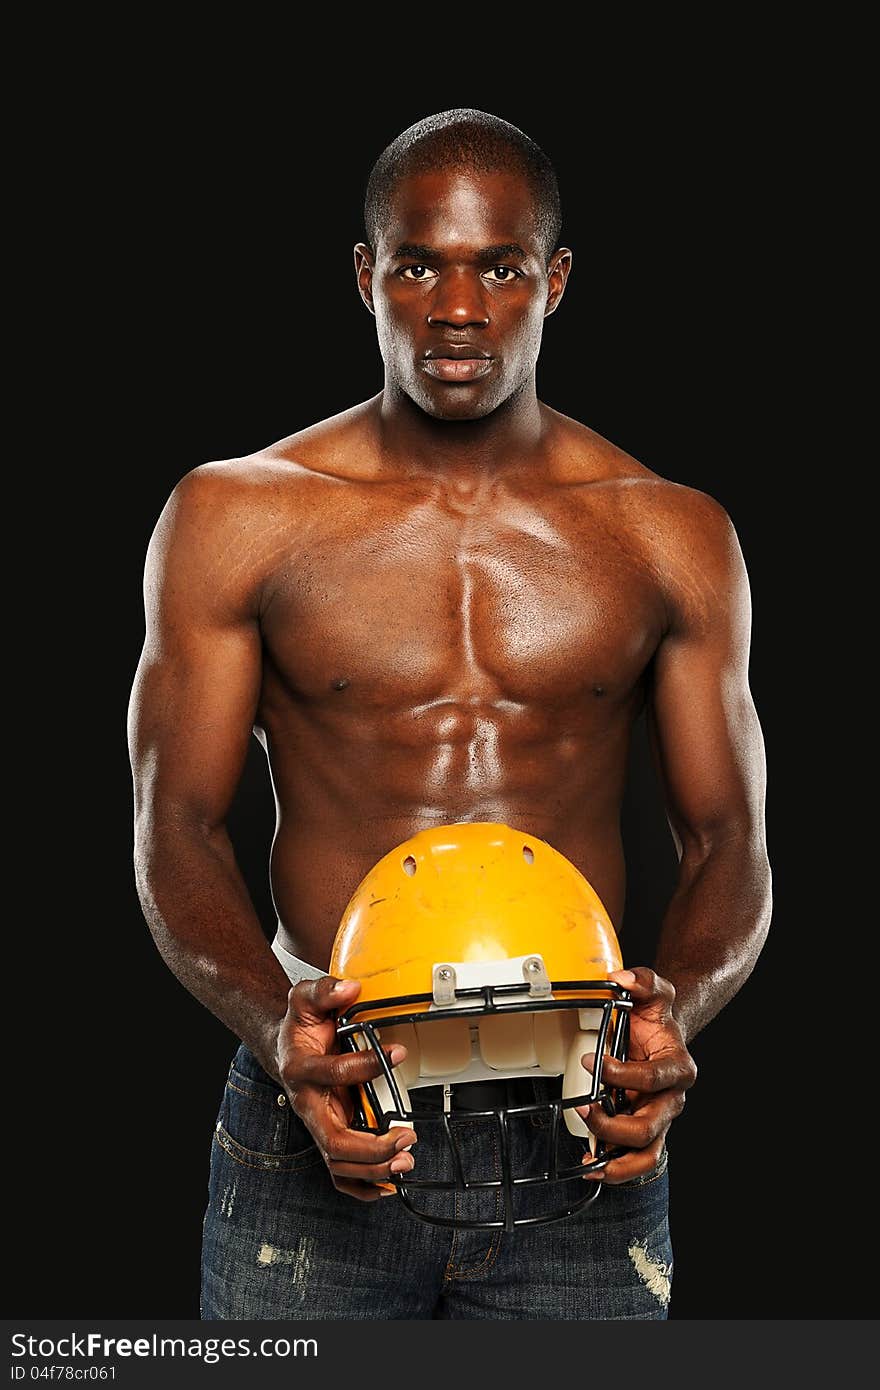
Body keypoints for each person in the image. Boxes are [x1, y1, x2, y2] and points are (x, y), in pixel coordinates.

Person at [127, 108, 771, 1320]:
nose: (459, 308)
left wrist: (670, 1013)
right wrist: (279, 1035)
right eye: (419, 263)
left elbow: (731, 842)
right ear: (366, 275)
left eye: (501, 266)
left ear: (555, 280)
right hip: (326, 1085)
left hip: (579, 1106)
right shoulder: (236, 517)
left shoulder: (667, 533)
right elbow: (176, 825)